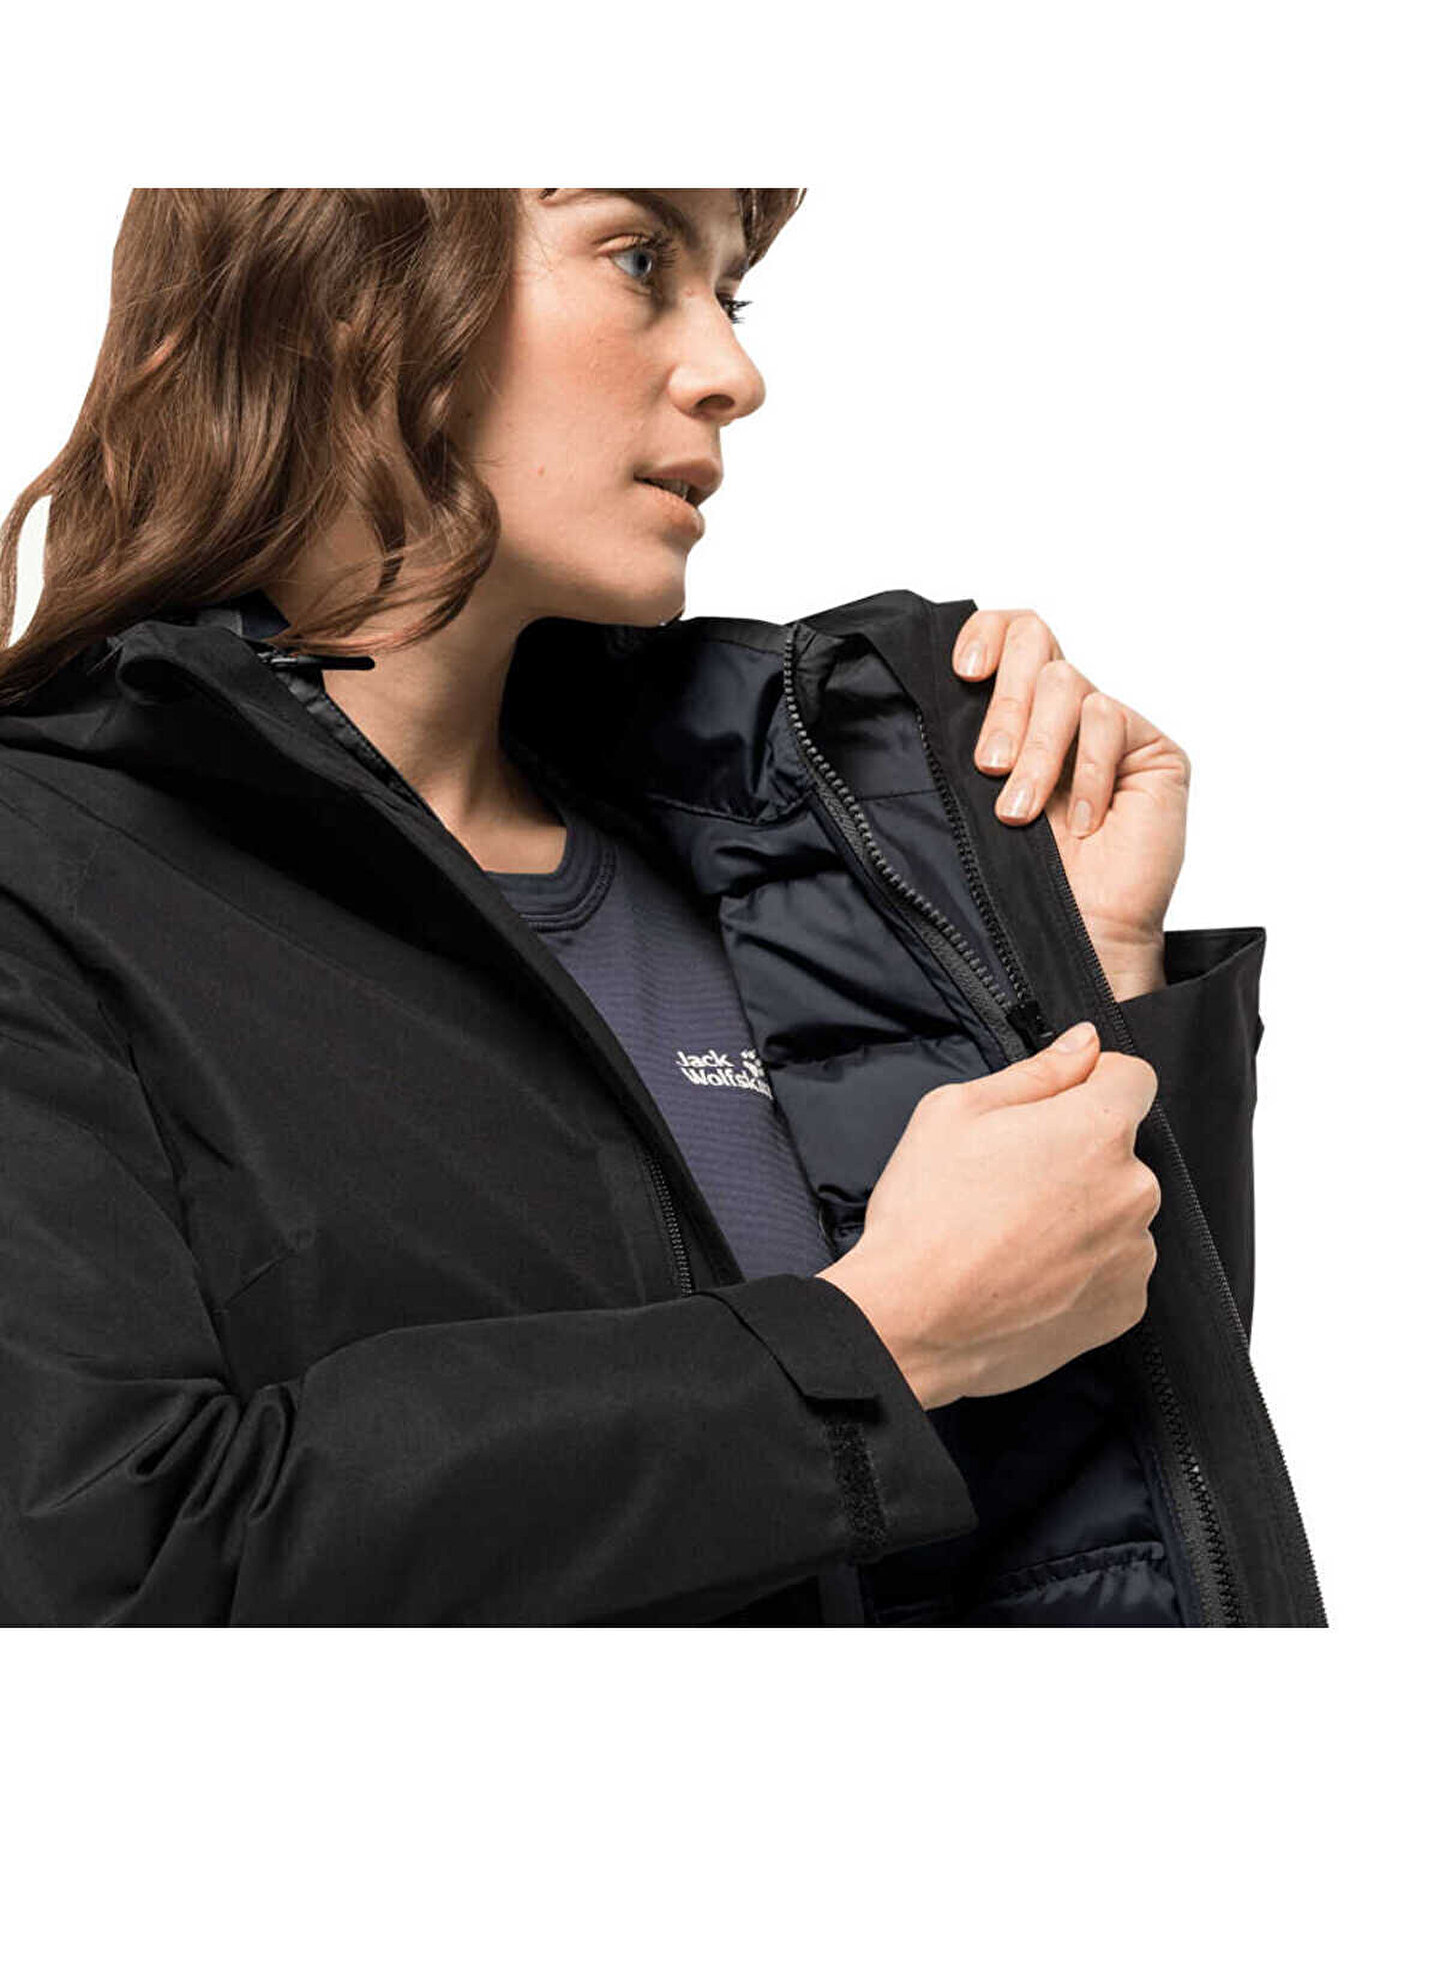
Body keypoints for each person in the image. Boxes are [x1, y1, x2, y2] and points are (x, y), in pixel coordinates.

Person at [0, 188, 1322, 1625]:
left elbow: (1072, 1528)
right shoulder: (43, 871)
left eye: (731, 294)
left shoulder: (766, 853)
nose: (733, 374)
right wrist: (872, 1341)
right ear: (344, 279)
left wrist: (1085, 979)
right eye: (640, 258)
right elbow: (110, 1575)